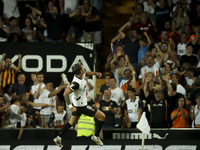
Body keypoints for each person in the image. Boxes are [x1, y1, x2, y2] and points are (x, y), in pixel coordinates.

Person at [53, 62, 105, 146]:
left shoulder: (81, 74)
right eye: (83, 67)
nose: (84, 68)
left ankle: (58, 137)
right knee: (102, 117)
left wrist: (95, 73)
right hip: (82, 106)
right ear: (81, 71)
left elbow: (87, 73)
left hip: (77, 105)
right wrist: (70, 107)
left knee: (71, 123)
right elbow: (65, 93)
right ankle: (96, 136)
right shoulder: (76, 84)